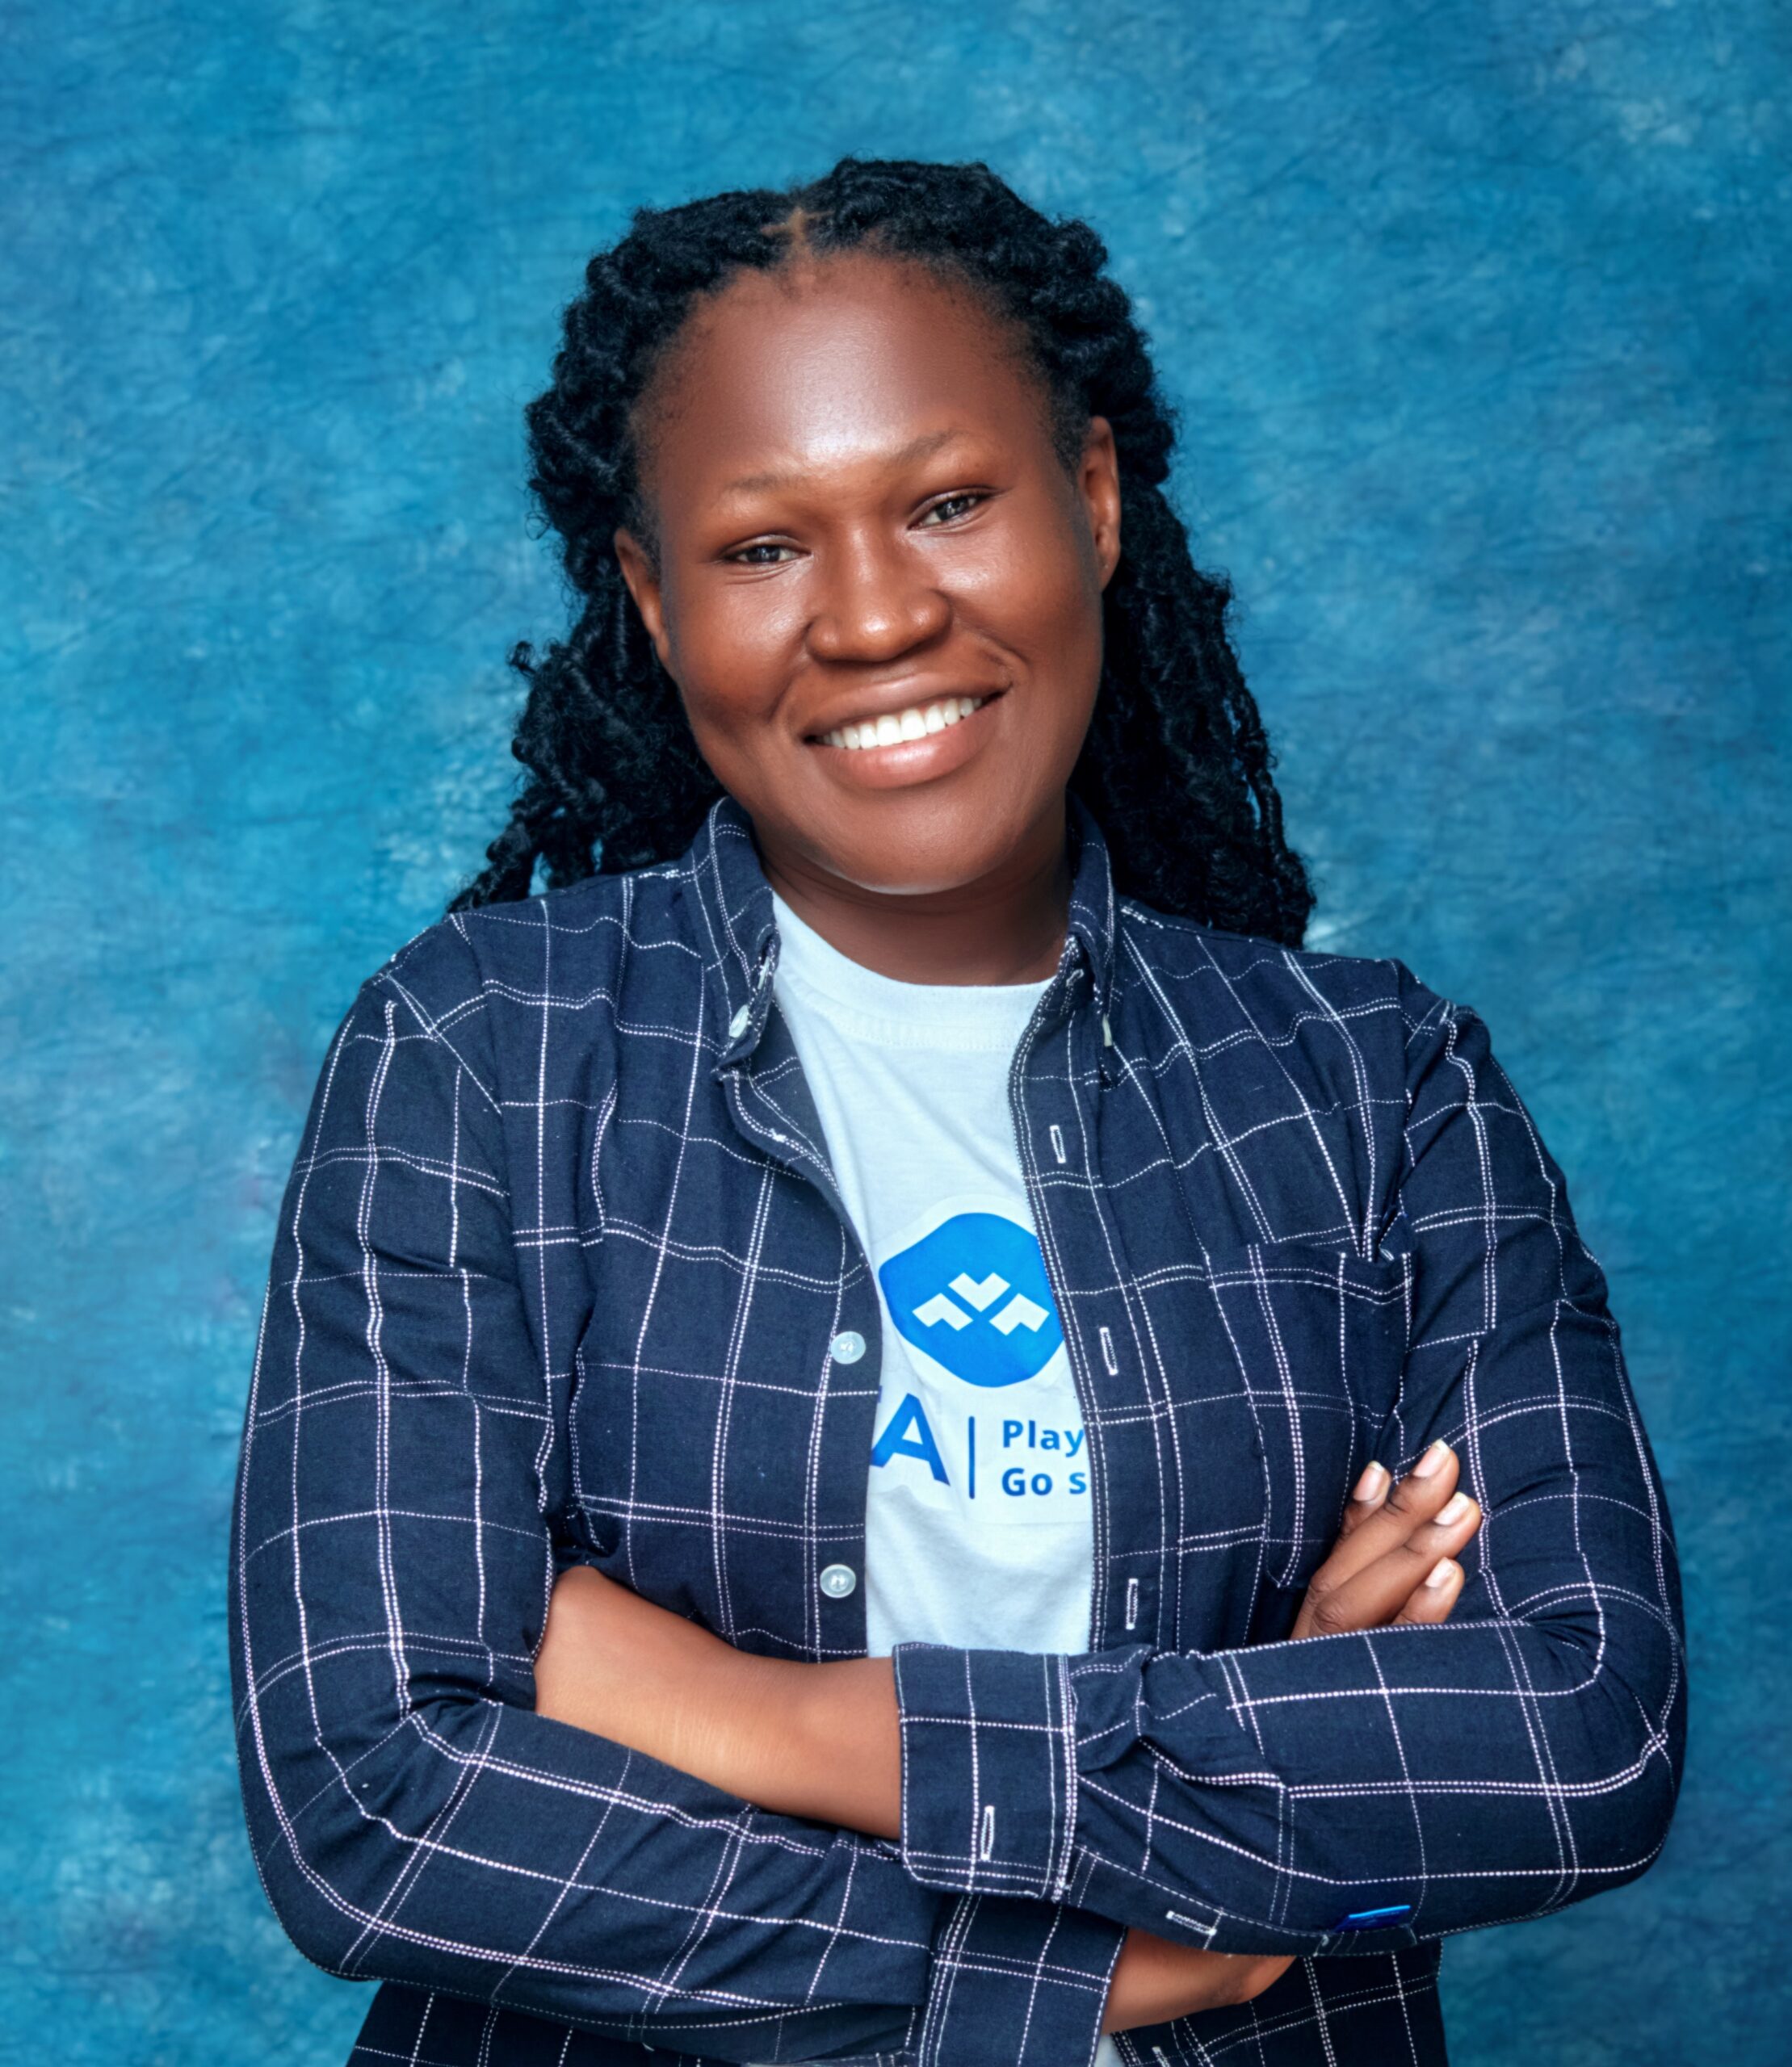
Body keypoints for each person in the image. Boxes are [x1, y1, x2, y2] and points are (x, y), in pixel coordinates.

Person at [228, 158, 1686, 2067]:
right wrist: (1167, 1881)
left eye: (943, 502)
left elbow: (1580, 1733)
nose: (869, 617)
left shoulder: (1373, 1081)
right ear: (654, 605)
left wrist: (761, 1714)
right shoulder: (479, 1053)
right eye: (763, 546)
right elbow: (377, 1803)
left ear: (1087, 498)